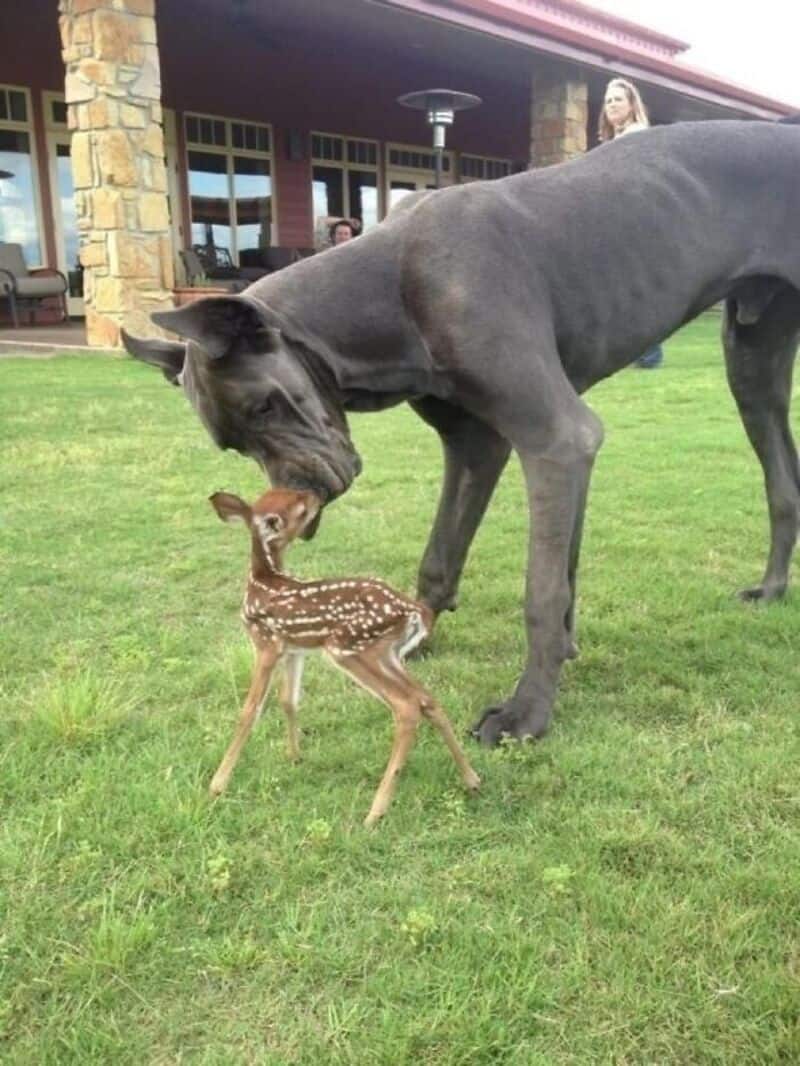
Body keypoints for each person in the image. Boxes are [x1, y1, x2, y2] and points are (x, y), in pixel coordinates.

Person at [599, 77, 664, 369]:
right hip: (618, 222)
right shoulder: (617, 138)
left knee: (638, 290)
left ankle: (649, 354)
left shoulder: (637, 135)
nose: (612, 105)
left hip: (635, 223)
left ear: (631, 104)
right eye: (608, 100)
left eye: (618, 100)